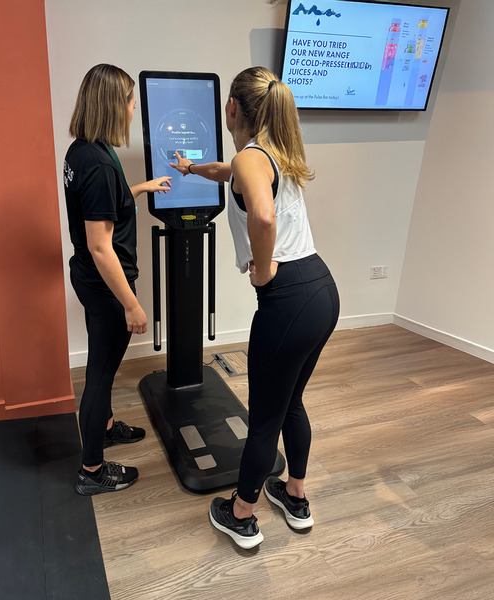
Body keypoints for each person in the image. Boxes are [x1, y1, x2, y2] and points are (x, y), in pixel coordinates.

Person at [170, 66, 339, 549]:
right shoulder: (274, 153)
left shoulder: (251, 157)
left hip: (287, 301)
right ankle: (295, 496)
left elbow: (262, 217)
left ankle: (241, 514)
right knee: (291, 402)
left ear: (232, 107)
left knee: (264, 416)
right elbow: (227, 173)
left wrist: (262, 270)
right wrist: (191, 169)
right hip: (322, 291)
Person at [64, 64, 172, 496]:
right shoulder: (98, 165)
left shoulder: (83, 151)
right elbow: (100, 246)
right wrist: (131, 304)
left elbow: (106, 202)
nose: (133, 110)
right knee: (100, 375)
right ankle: (92, 471)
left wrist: (141, 187)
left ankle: (105, 428)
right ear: (113, 106)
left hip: (89, 280)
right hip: (106, 287)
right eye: (130, 102)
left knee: (102, 369)